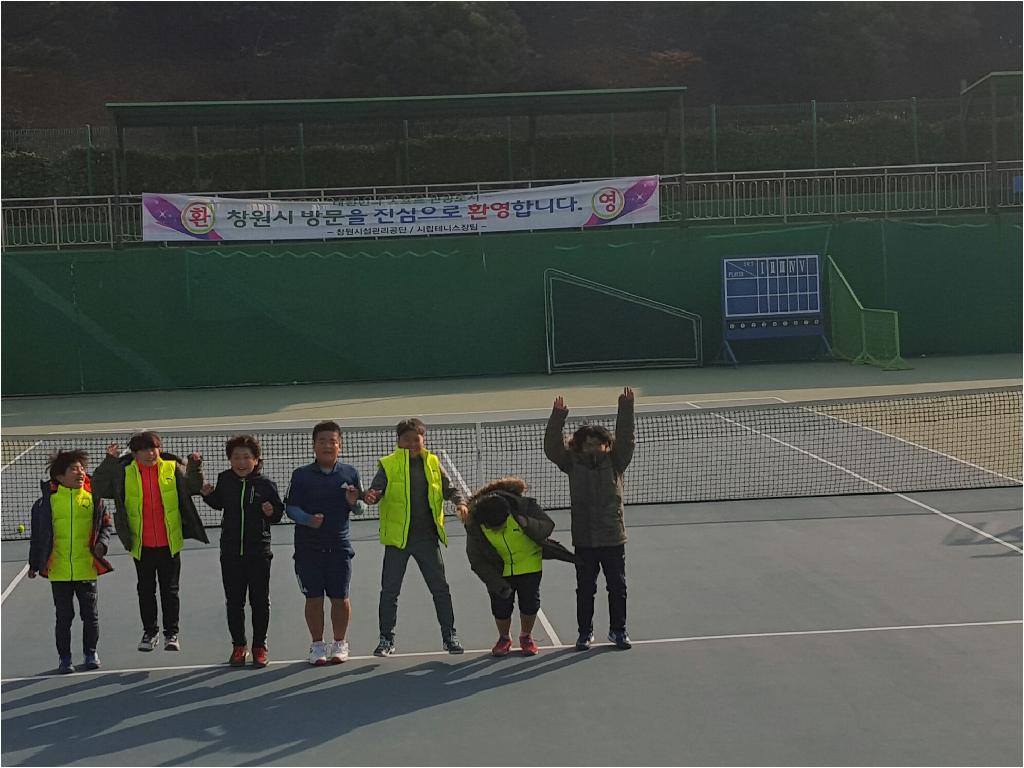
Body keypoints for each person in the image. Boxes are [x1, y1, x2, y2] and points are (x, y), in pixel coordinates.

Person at [92, 431, 208, 653]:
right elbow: (98, 487)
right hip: (141, 545)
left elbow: (194, 486)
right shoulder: (123, 473)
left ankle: (171, 633)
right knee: (145, 591)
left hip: (169, 543)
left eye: (153, 448)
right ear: (134, 453)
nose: (150, 453)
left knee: (170, 591)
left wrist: (195, 465)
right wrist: (109, 461)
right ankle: (150, 632)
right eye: (143, 450)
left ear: (159, 449)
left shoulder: (172, 468)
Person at [362, 418, 468, 657]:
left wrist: (460, 503)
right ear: (398, 441)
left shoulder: (433, 463)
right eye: (406, 439)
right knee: (390, 592)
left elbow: (450, 489)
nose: (411, 444)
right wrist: (370, 497)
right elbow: (376, 492)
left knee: (440, 589)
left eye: (415, 439)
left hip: (427, 539)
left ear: (423, 439)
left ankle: (450, 636)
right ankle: (386, 639)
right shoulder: (388, 465)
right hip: (398, 541)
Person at [545, 386, 636, 651]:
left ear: (607, 446)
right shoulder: (573, 463)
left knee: (617, 587)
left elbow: (626, 439)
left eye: (599, 444)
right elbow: (552, 448)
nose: (594, 448)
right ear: (581, 446)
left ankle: (618, 631)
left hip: (612, 536)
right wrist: (558, 417)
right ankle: (585, 633)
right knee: (585, 589)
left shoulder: (616, 462)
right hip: (584, 539)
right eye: (589, 444)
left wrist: (626, 408)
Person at [198, 435, 284, 669]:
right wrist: (208, 495)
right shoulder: (225, 479)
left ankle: (259, 647)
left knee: (259, 601)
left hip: (259, 552)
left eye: (246, 457)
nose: (241, 462)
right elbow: (219, 503)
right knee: (234, 601)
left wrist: (271, 512)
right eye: (236, 457)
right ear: (230, 460)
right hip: (231, 552)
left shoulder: (266, 485)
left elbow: (278, 514)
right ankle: (239, 646)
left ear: (256, 460)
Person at [28, 450, 115, 674]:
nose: (80, 472)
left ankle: (90, 653)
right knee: (64, 618)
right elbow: (38, 536)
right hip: (59, 571)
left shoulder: (94, 498)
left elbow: (106, 525)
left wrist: (102, 544)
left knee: (90, 616)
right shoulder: (45, 504)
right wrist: (34, 563)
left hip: (86, 568)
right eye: (74, 469)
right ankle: (64, 659)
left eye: (82, 468)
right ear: (59, 476)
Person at [285, 421, 361, 666]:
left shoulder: (350, 473)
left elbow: (359, 508)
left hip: (339, 547)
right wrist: (307, 520)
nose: (327, 445)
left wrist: (353, 502)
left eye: (332, 441)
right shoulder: (301, 475)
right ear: (314, 445)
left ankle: (340, 643)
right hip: (308, 548)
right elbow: (290, 508)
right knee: (314, 598)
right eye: (322, 441)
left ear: (340, 445)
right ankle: (317, 645)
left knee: (340, 597)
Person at [465, 477, 555, 657]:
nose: (498, 529)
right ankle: (504, 638)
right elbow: (477, 560)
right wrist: (496, 582)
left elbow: (547, 526)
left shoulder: (524, 508)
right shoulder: (476, 525)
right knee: (501, 606)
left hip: (529, 564)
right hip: (499, 569)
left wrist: (527, 523)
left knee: (530, 604)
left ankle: (526, 637)